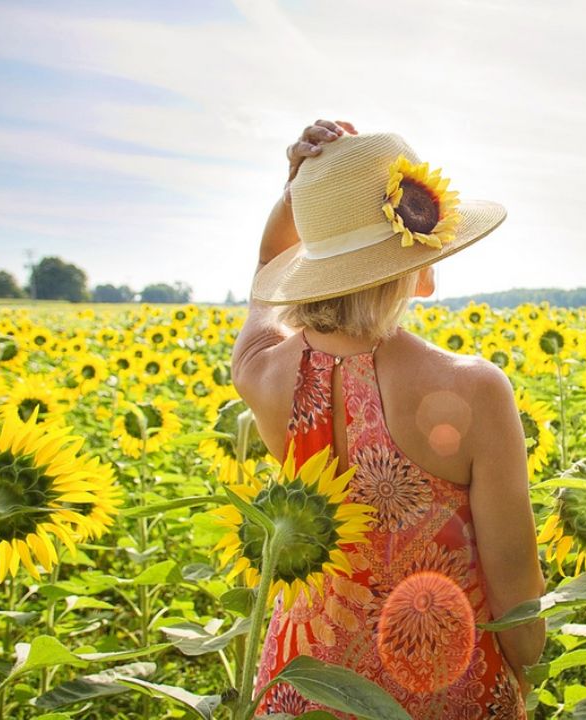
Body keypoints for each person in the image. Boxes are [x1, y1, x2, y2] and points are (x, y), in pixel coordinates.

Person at [230, 119, 546, 719]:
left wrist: (299, 192)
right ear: (414, 255)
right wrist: (526, 679)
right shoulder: (474, 388)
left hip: (303, 686)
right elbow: (517, 597)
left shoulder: (262, 372)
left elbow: (265, 275)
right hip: (445, 687)